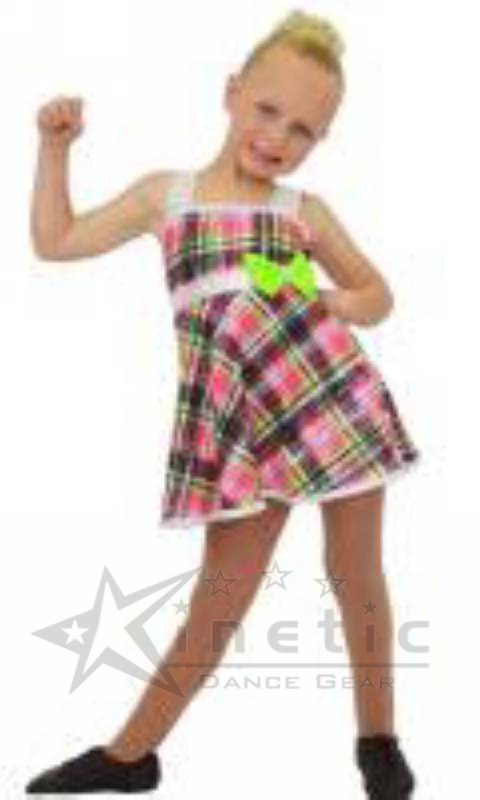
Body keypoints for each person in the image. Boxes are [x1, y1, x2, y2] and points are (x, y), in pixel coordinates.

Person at [26, 9, 419, 798]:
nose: (278, 138)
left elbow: (378, 295)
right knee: (224, 591)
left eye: (302, 129)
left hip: (332, 401)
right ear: (232, 92)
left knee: (355, 572)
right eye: (268, 110)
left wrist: (329, 298)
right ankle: (131, 757)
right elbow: (56, 241)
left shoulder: (302, 213)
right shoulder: (166, 197)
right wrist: (55, 148)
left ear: (321, 140)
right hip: (240, 422)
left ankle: (378, 738)